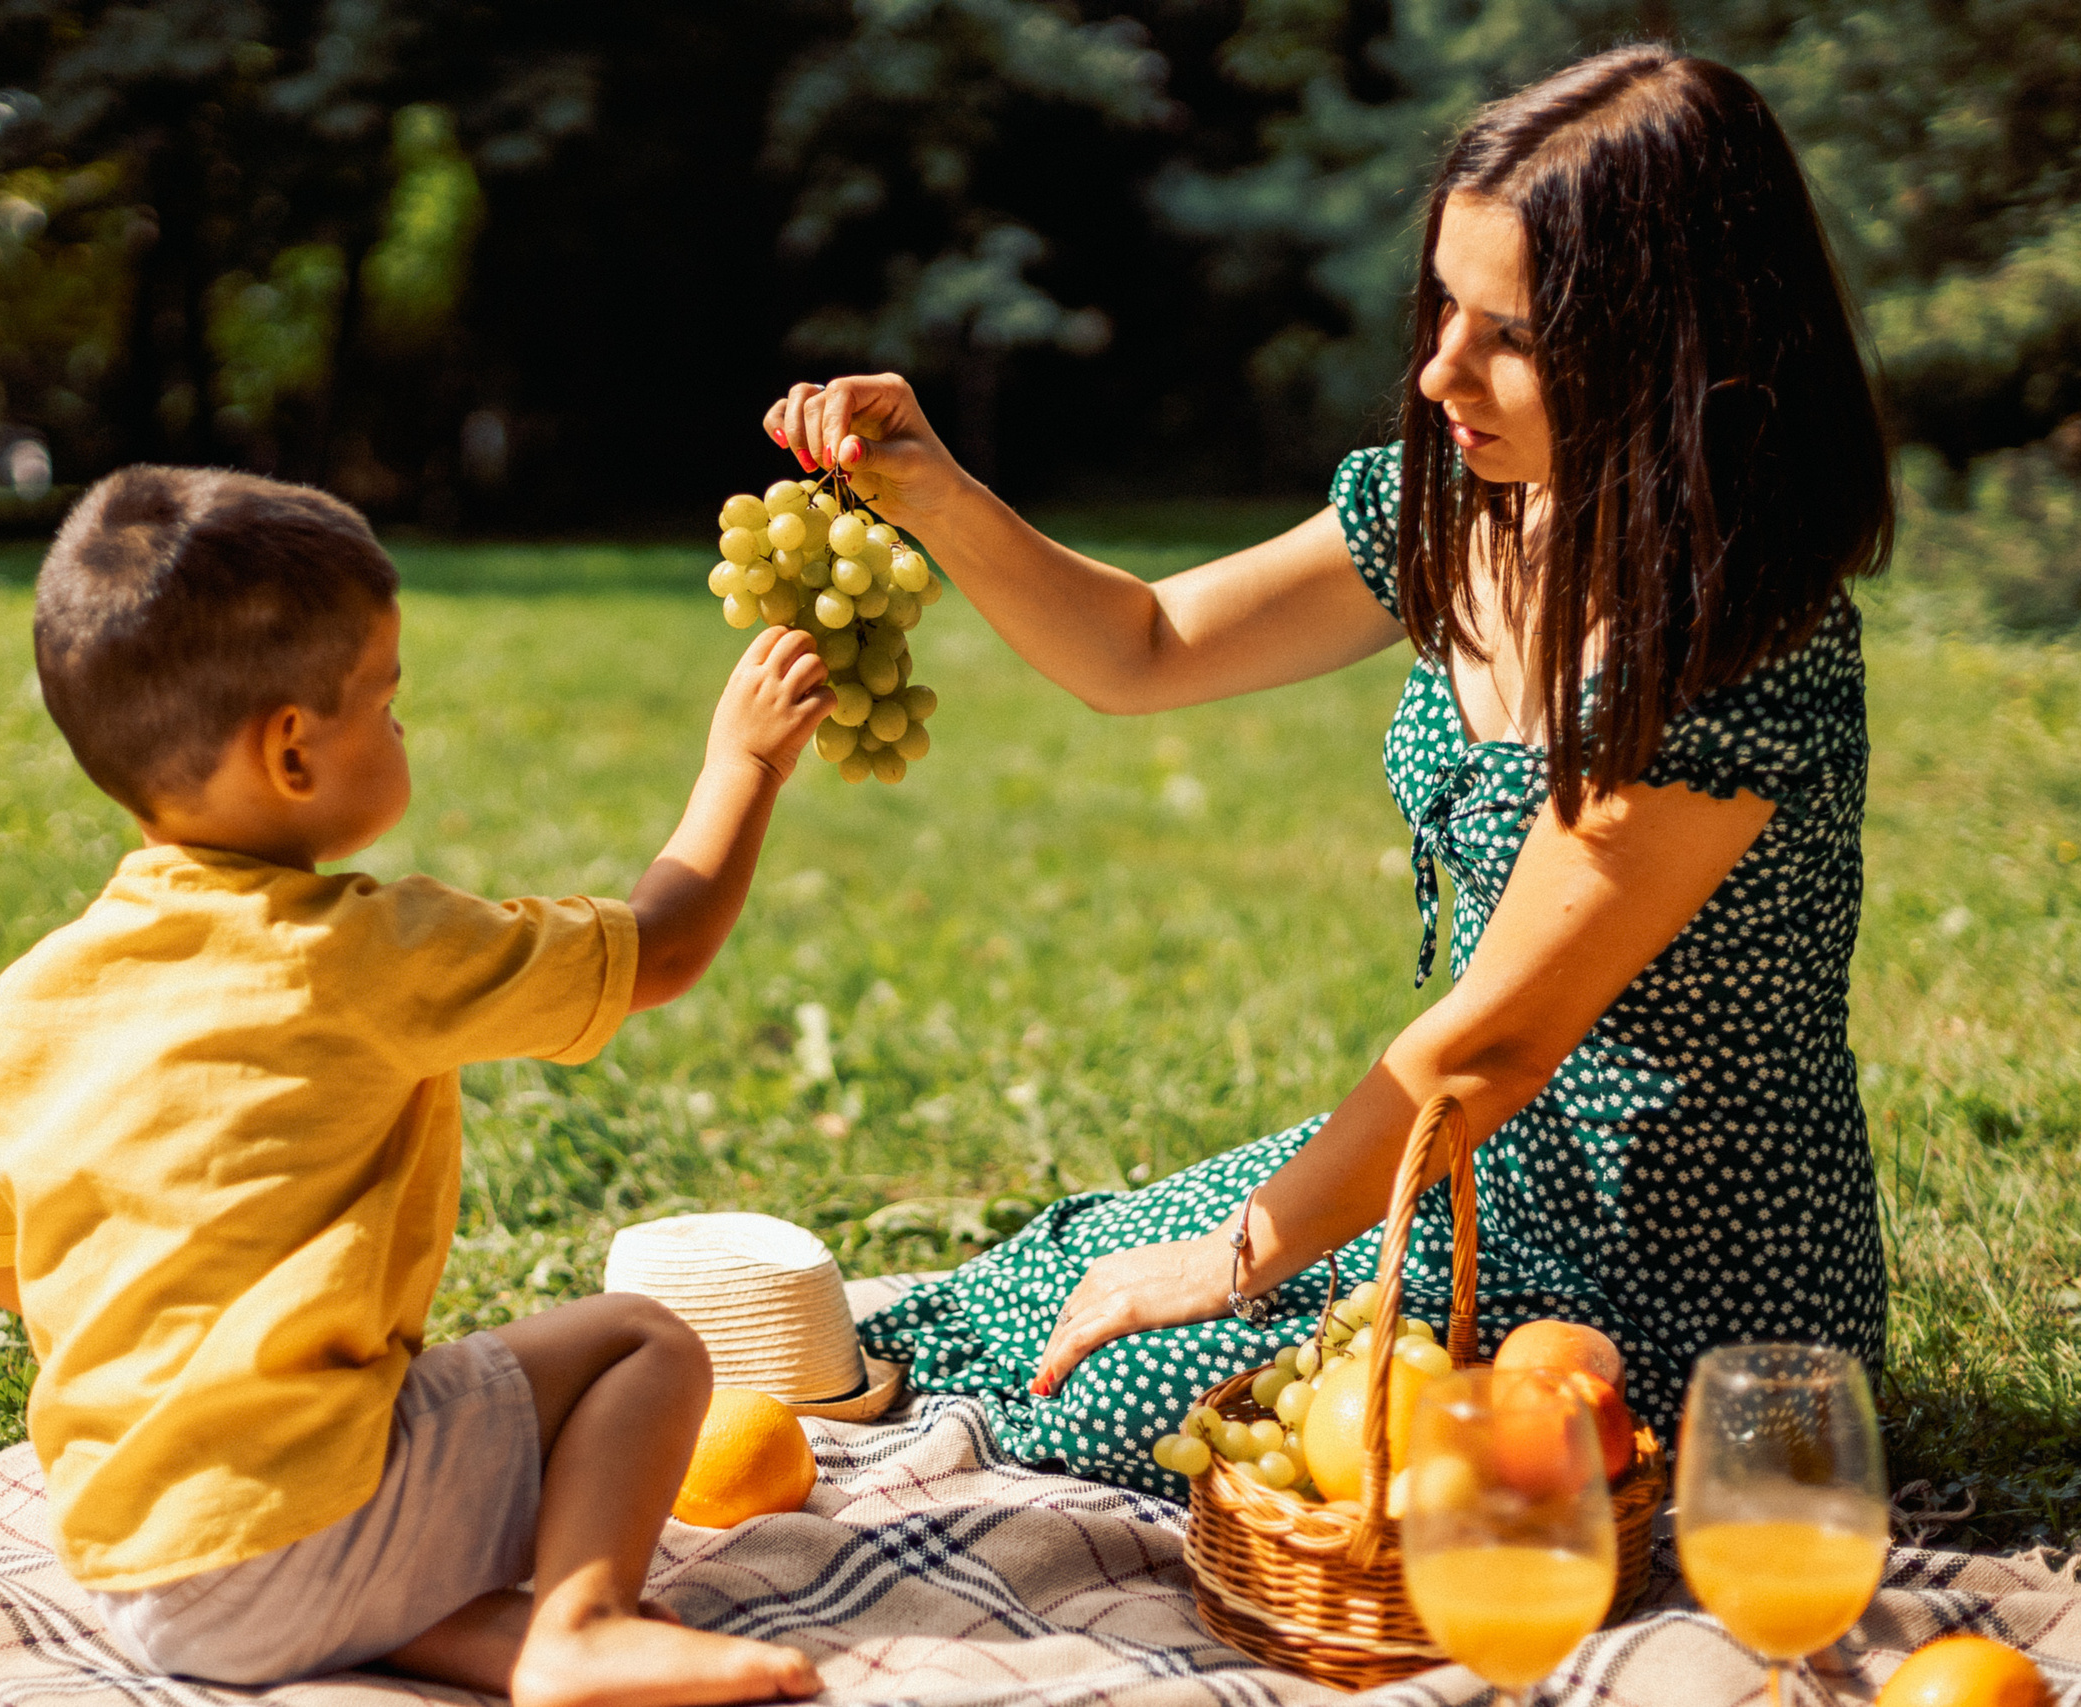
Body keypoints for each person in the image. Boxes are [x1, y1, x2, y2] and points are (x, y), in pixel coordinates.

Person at [762, 42, 1893, 1496]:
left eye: (1512, 335)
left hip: (1680, 1283)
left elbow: (1489, 1044)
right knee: (1028, 1294)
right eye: (1440, 309)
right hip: (1469, 1164)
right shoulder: (1460, 512)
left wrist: (1228, 1260)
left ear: (1677, 345)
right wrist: (934, 488)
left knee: (1112, 1386)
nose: (1437, 372)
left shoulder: (1735, 644)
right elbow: (1146, 645)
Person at [0, 466, 829, 1705]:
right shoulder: (362, 951)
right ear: (293, 749)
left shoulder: (36, 995)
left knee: (391, 1418)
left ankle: (443, 1632)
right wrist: (748, 761)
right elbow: (659, 951)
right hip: (297, 1537)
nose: (403, 728)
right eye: (387, 702)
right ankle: (577, 1623)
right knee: (645, 1346)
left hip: (131, 1576)